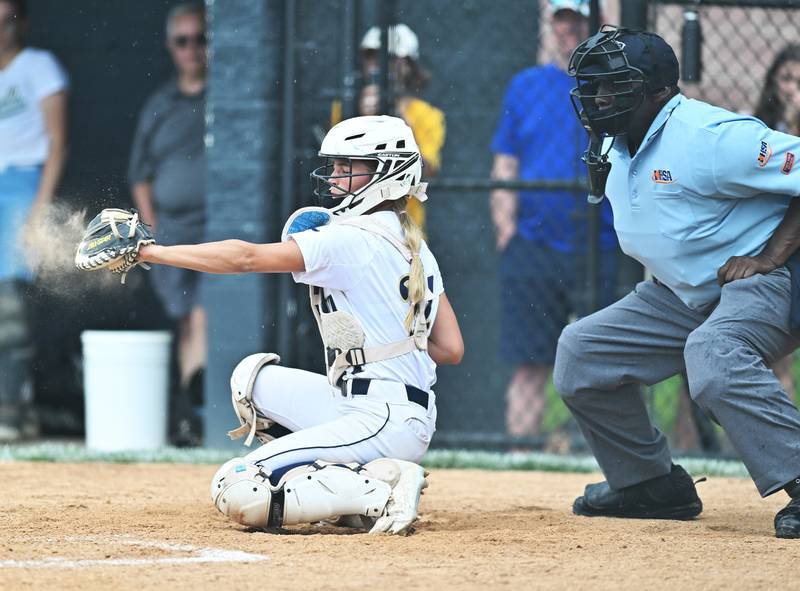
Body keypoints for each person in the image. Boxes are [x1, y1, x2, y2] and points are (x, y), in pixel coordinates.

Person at [131, 115, 463, 533]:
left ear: (388, 173)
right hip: (385, 408)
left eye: (349, 168)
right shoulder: (416, 246)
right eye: (337, 167)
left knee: (236, 488)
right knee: (252, 381)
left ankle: (381, 488)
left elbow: (244, 258)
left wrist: (150, 252)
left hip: (381, 417)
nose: (336, 177)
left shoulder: (350, 239)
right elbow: (450, 349)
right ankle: (342, 485)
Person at [555, 25, 800, 539]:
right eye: (593, 85)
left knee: (712, 356)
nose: (597, 98)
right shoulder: (616, 140)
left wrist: (773, 253)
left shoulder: (709, 136)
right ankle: (650, 486)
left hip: (767, 278)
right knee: (582, 353)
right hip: (684, 290)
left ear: (659, 89)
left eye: (612, 85)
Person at [490, 0, 617, 441]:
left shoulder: (614, 85)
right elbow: (505, 162)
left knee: (604, 364)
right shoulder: (526, 85)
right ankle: (521, 460)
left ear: (595, 23)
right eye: (562, 19)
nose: (569, 29)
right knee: (529, 363)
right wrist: (506, 229)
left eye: (578, 19)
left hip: (602, 245)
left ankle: (610, 461)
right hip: (534, 244)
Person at [128, 2, 207, 444]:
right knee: (186, 321)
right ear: (170, 47)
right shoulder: (159, 105)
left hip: (217, 230)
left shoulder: (227, 98)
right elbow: (139, 175)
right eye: (183, 41)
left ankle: (198, 410)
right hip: (172, 232)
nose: (192, 50)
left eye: (201, 39)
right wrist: (153, 228)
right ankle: (189, 412)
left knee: (203, 315)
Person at [0, 0, 68, 441]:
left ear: (20, 22)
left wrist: (39, 212)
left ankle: (11, 409)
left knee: (9, 306)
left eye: (4, 21)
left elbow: (57, 143)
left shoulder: (39, 65)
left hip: (23, 186)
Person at [359, 23, 445, 230]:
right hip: (354, 221)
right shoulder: (346, 105)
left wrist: (398, 117)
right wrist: (360, 117)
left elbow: (427, 168)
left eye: (388, 58)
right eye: (371, 56)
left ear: (408, 65)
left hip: (404, 227)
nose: (377, 64)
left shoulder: (426, 114)